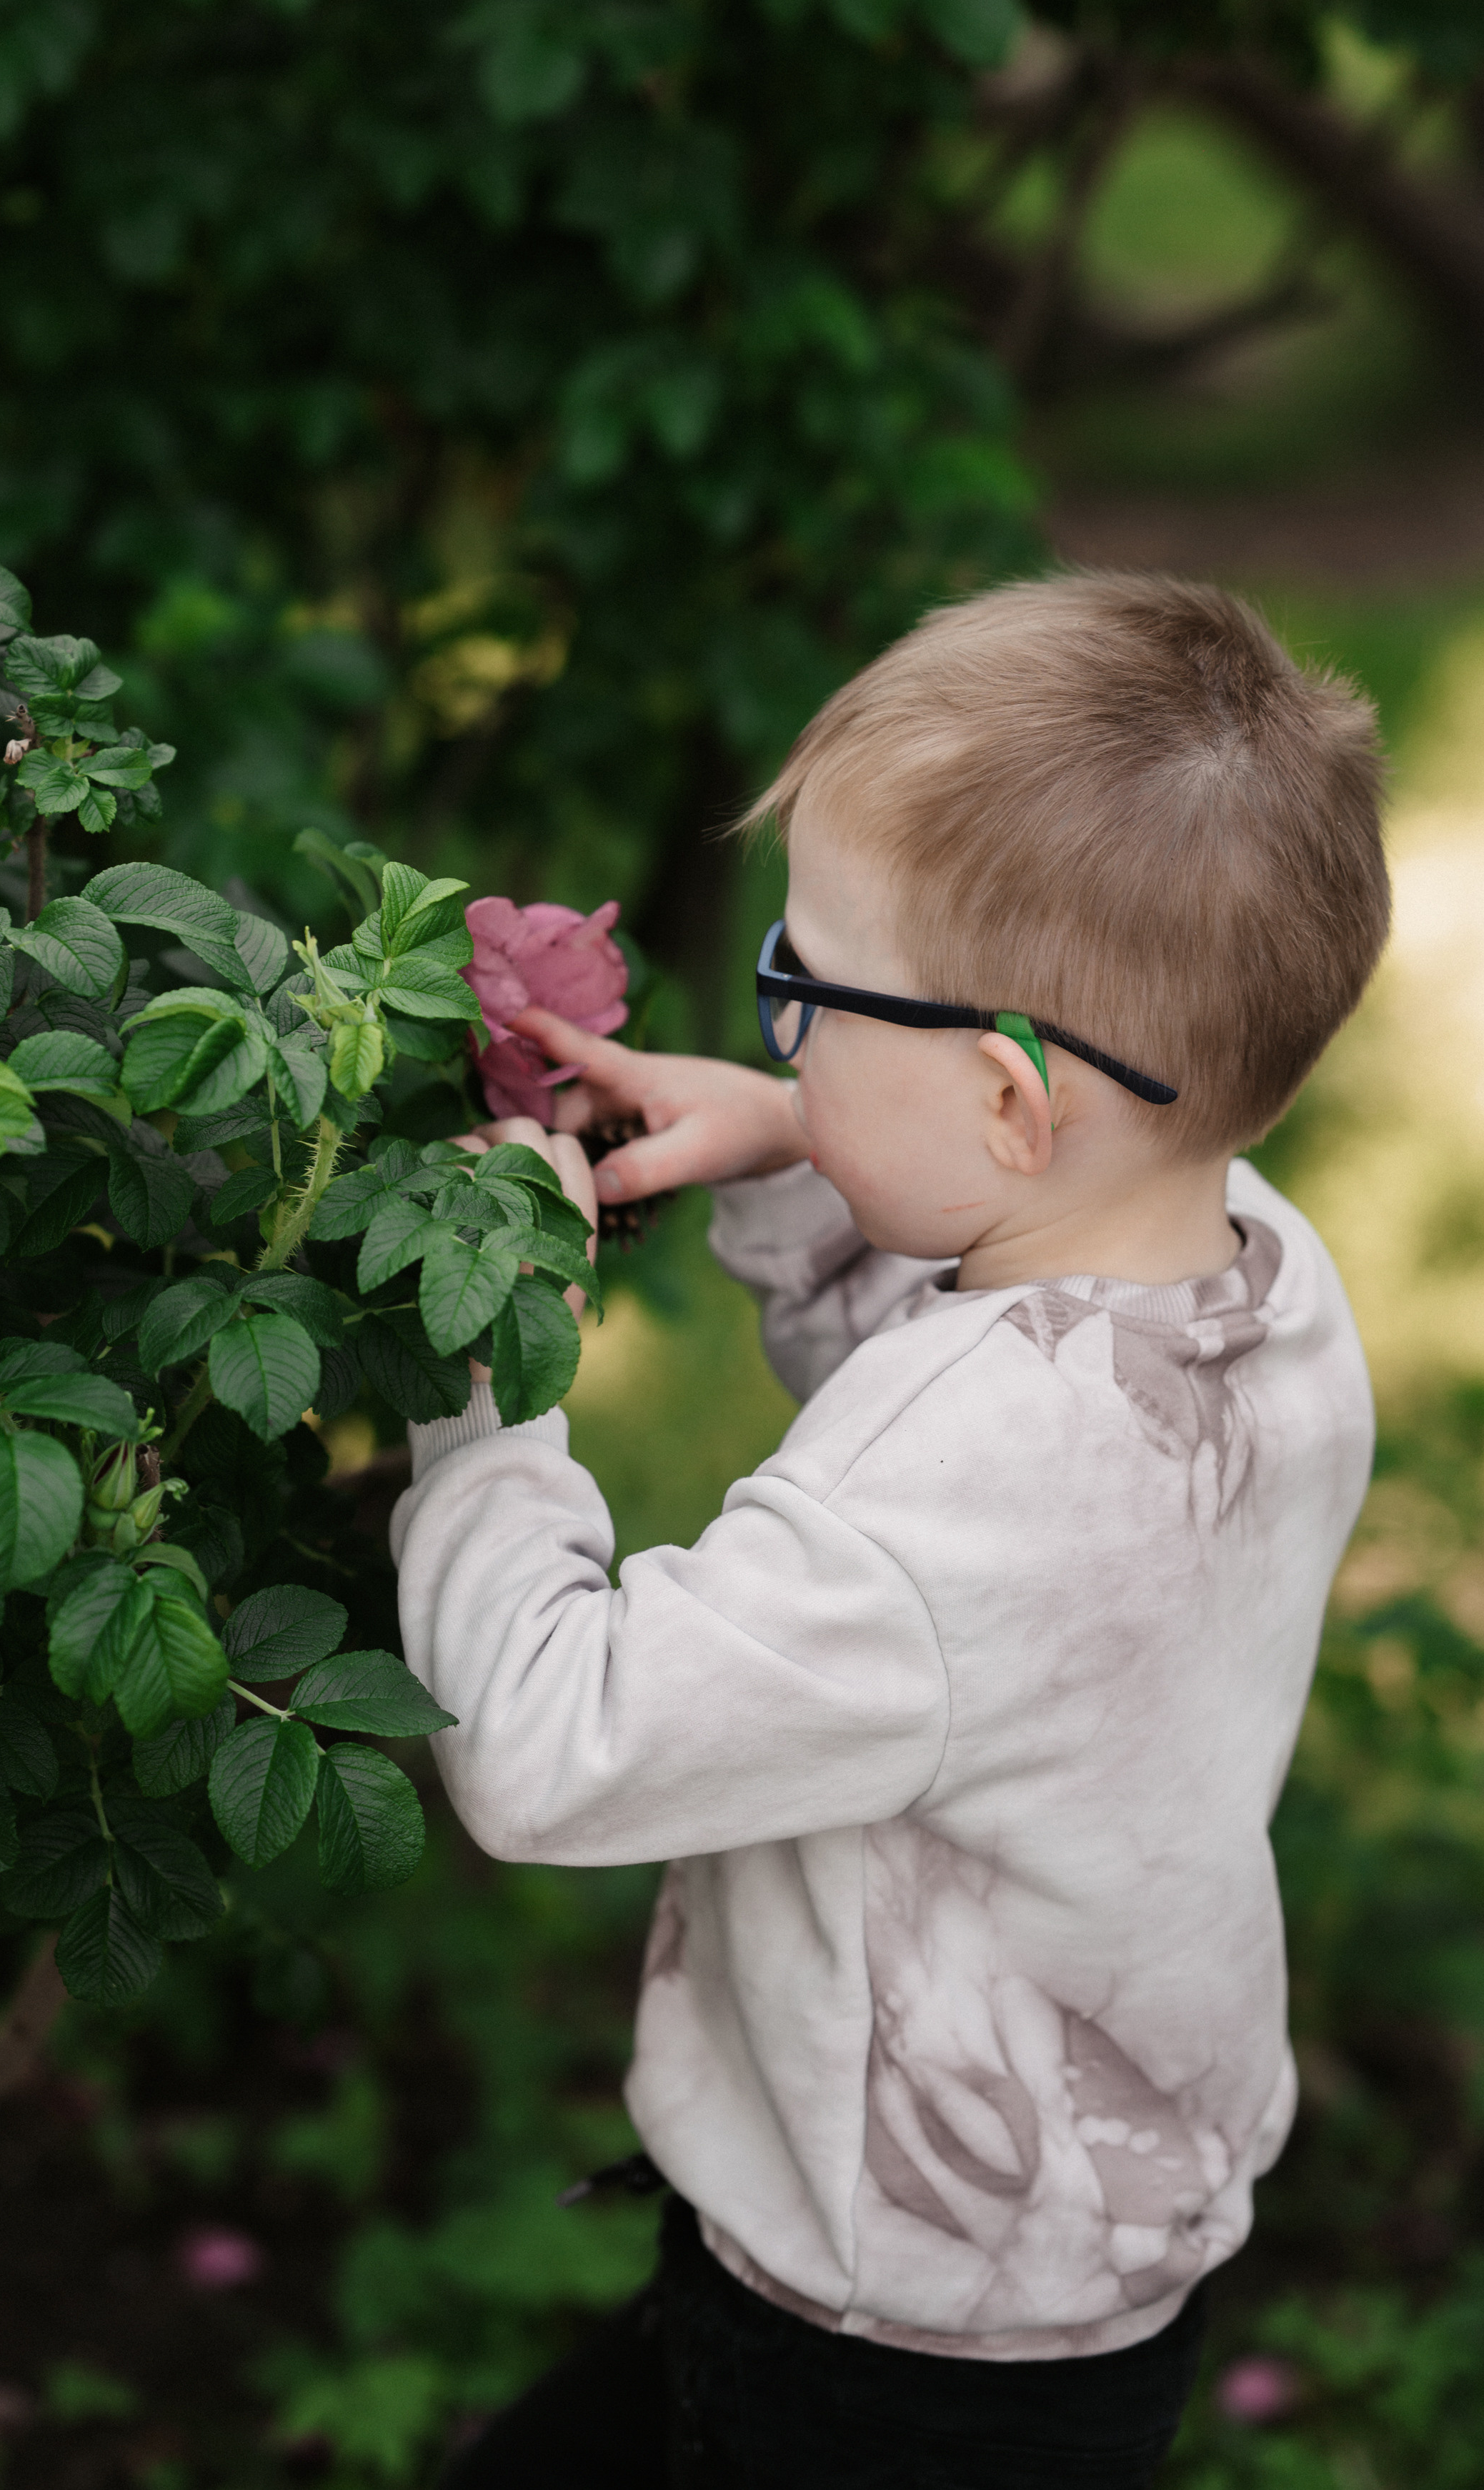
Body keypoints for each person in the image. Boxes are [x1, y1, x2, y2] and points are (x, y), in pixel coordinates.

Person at [393, 574, 1390, 2488]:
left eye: (804, 987)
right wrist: (799, 1134)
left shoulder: (942, 1506)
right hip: (1044, 2271)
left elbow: (548, 1745)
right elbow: (952, 1382)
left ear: (1010, 1098)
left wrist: (478, 1373)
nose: (778, 1021)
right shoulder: (1263, 1280)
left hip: (873, 2361)